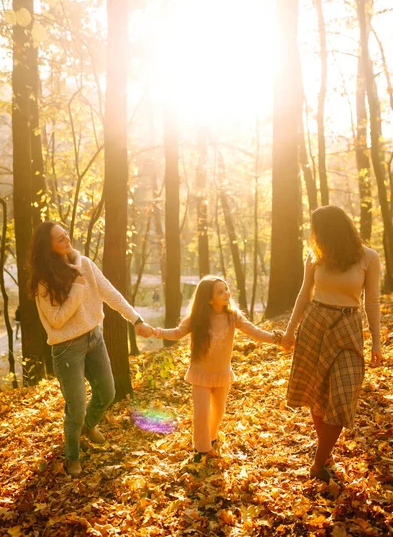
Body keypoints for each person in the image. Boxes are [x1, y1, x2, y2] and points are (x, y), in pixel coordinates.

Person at [28, 221, 153, 477]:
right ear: (47, 246)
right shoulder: (44, 281)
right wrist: (77, 286)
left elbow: (110, 293)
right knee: (75, 407)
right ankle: (72, 456)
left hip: (95, 338)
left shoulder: (84, 264)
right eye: (59, 238)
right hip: (66, 348)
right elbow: (57, 320)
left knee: (107, 393)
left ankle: (89, 425)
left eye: (66, 234)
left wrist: (136, 320)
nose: (67, 239)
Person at [281, 205, 382, 485]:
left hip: (348, 328)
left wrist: (377, 341)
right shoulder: (316, 256)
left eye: (319, 230)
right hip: (315, 324)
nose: (315, 236)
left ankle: (316, 462)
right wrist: (290, 330)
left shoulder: (368, 258)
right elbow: (305, 293)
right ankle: (324, 456)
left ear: (333, 229)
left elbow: (372, 301)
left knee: (342, 395)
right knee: (317, 394)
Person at [153, 275, 281, 461]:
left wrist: (277, 338)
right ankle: (201, 450)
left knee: (218, 412)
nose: (226, 293)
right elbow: (177, 333)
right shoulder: (197, 318)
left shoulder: (232, 316)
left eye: (226, 289)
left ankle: (211, 439)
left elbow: (255, 332)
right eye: (220, 292)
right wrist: (155, 332)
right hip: (201, 374)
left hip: (222, 374)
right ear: (209, 298)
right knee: (201, 414)